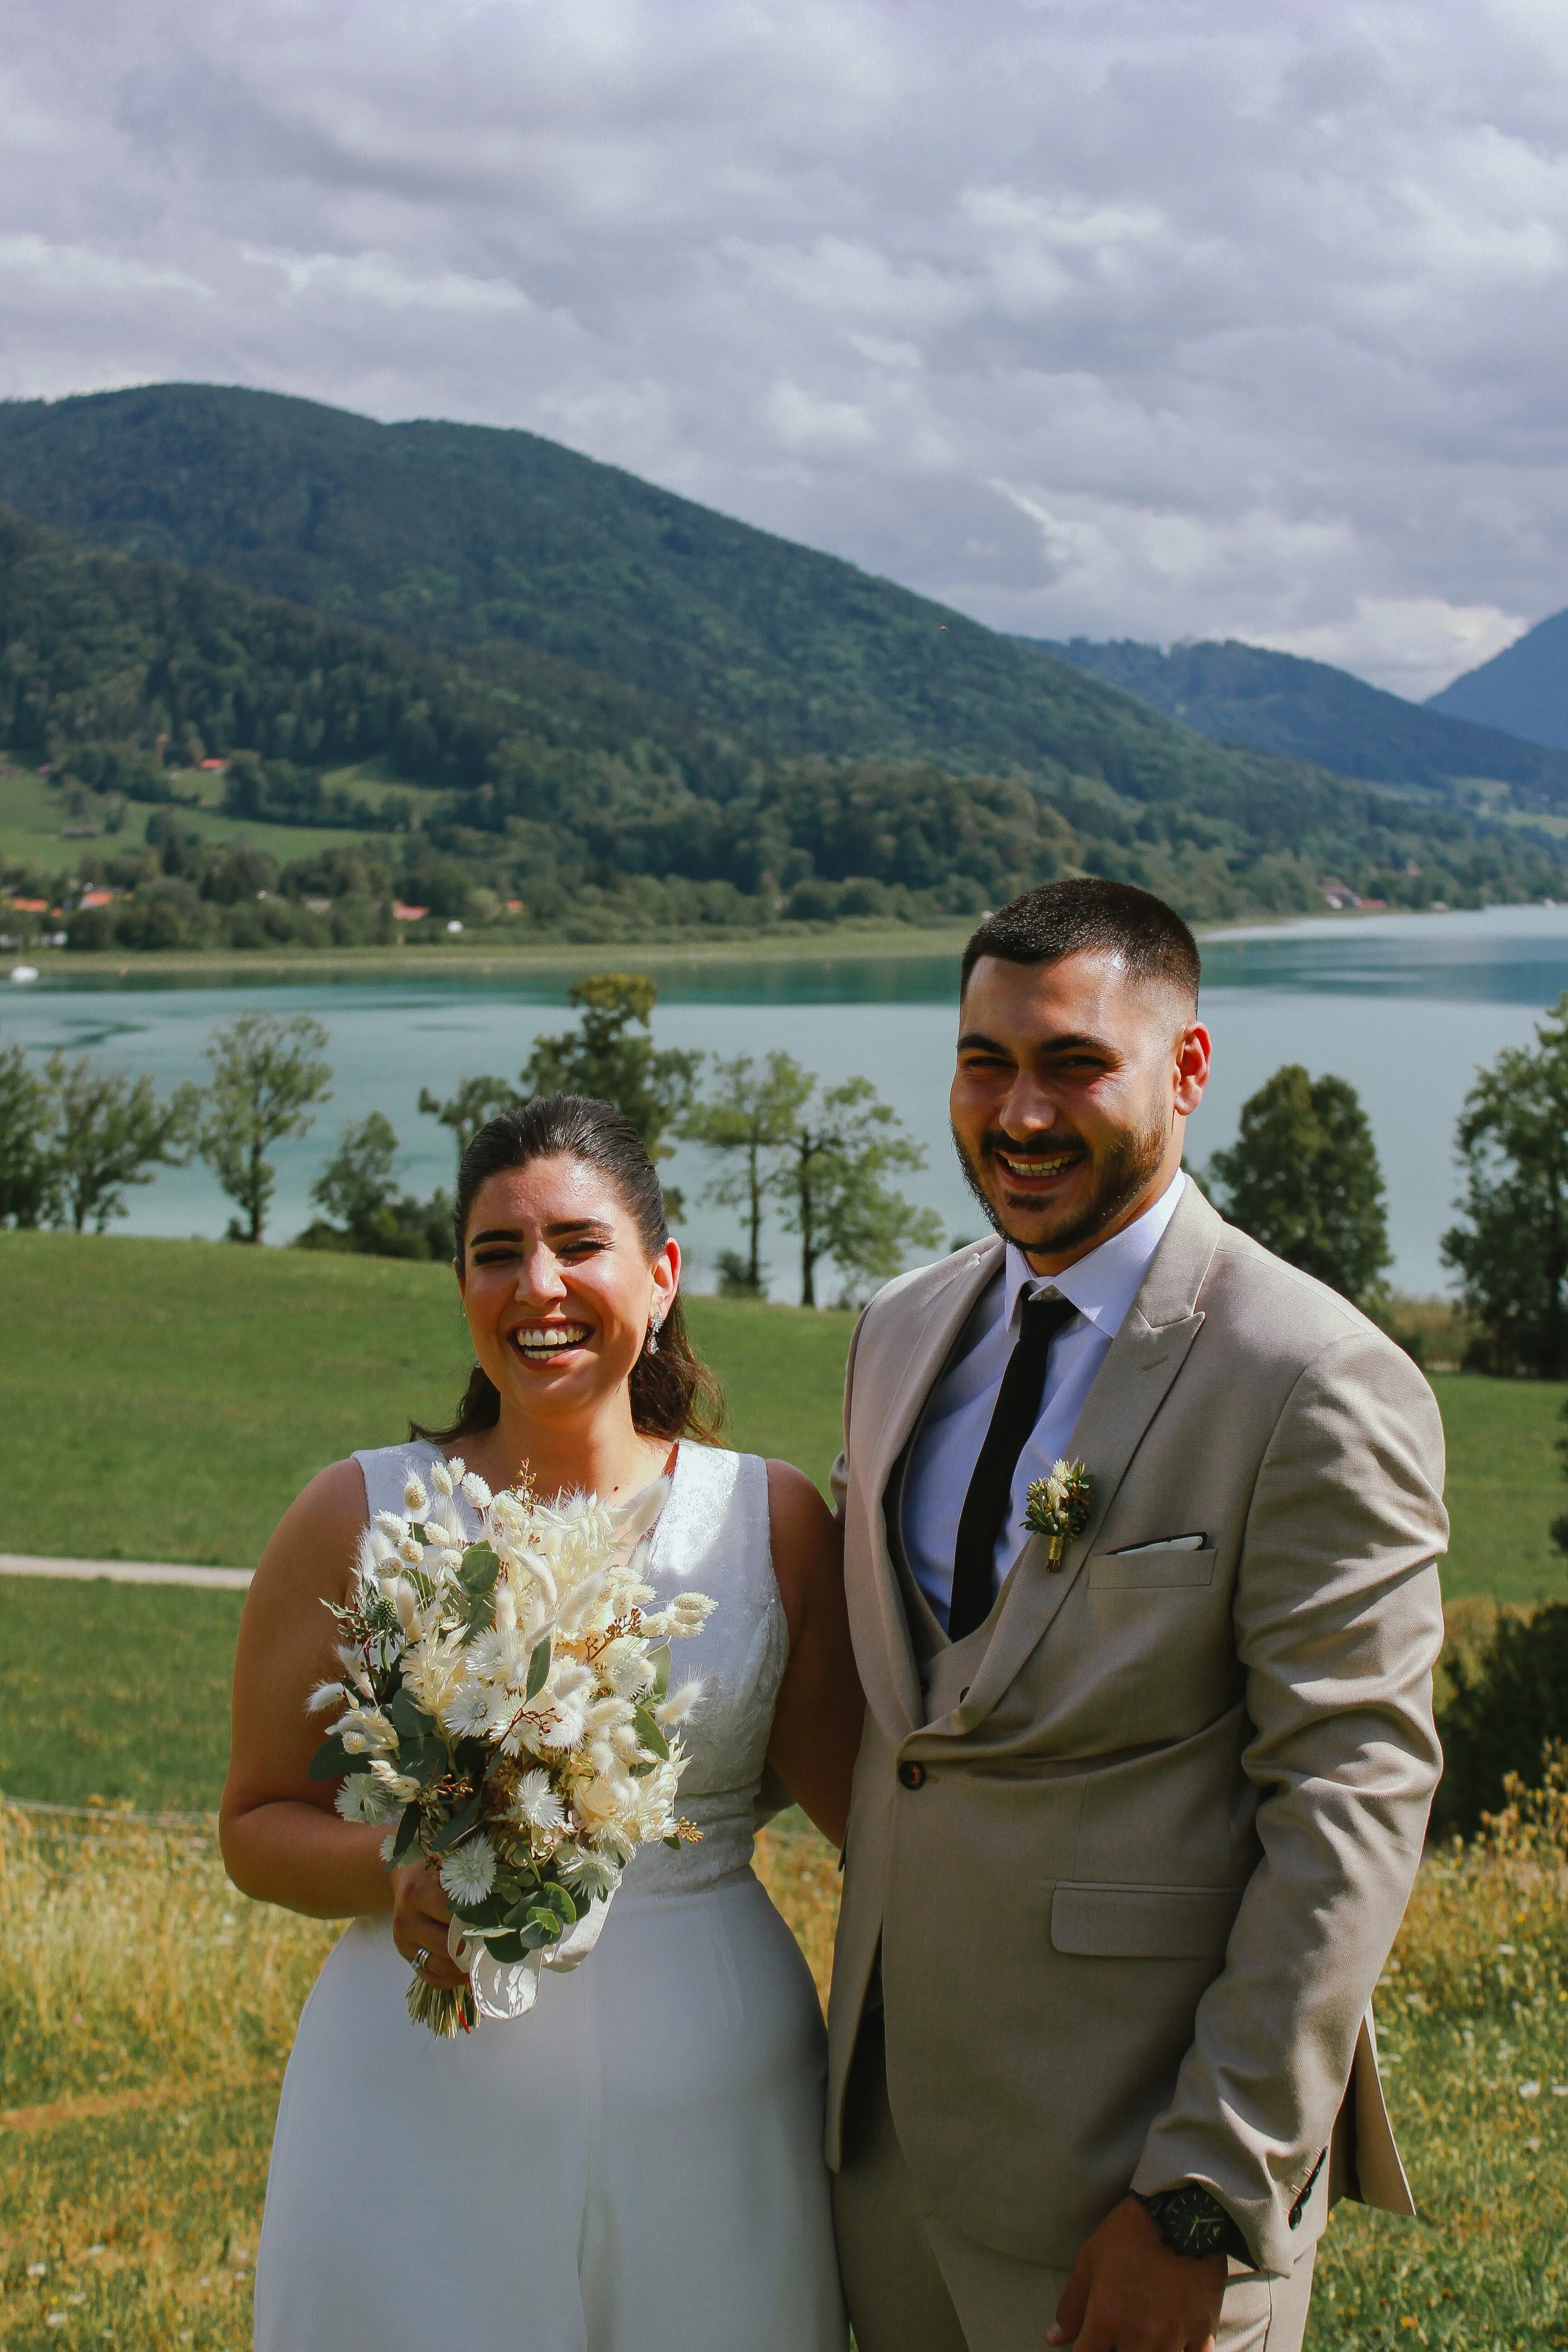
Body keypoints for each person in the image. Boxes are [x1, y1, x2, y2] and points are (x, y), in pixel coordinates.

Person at [828, 877, 1448, 2352]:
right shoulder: (902, 1326)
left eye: (1071, 1065)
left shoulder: (1307, 1377)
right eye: (985, 1063)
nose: (1018, 1113)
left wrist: (1204, 2199)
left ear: (1184, 1070)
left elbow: (1349, 1799)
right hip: (882, 2160)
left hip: (1135, 2181)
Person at [221, 1093, 859, 2352]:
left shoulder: (767, 1526)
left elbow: (879, 1826)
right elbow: (254, 1825)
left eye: (579, 1244)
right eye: (497, 1252)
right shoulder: (359, 1516)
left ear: (662, 1274)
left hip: (718, 2090)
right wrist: (399, 1867)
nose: (538, 1284)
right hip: (417, 2092)